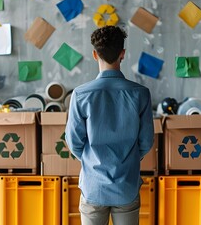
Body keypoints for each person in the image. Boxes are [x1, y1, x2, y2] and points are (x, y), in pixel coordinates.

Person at [65, 25, 154, 225]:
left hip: (93, 185)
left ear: (95, 55)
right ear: (122, 54)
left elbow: (73, 142)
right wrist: (128, 158)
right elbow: (146, 141)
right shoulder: (140, 94)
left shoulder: (80, 94)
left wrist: (91, 160)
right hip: (126, 186)